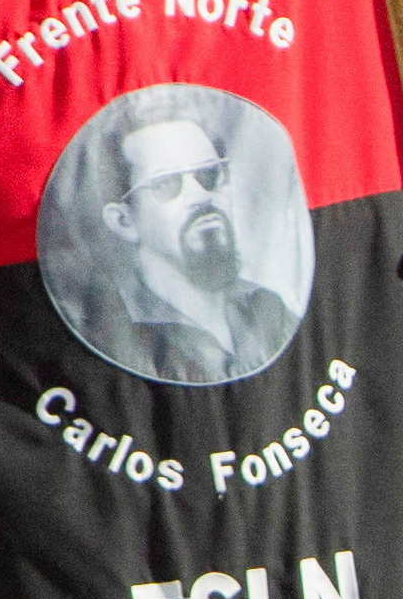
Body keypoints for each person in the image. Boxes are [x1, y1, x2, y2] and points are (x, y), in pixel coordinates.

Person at [47, 88, 297, 387]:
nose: (200, 196)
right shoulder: (108, 332)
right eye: (167, 184)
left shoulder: (268, 306)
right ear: (124, 221)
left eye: (208, 176)